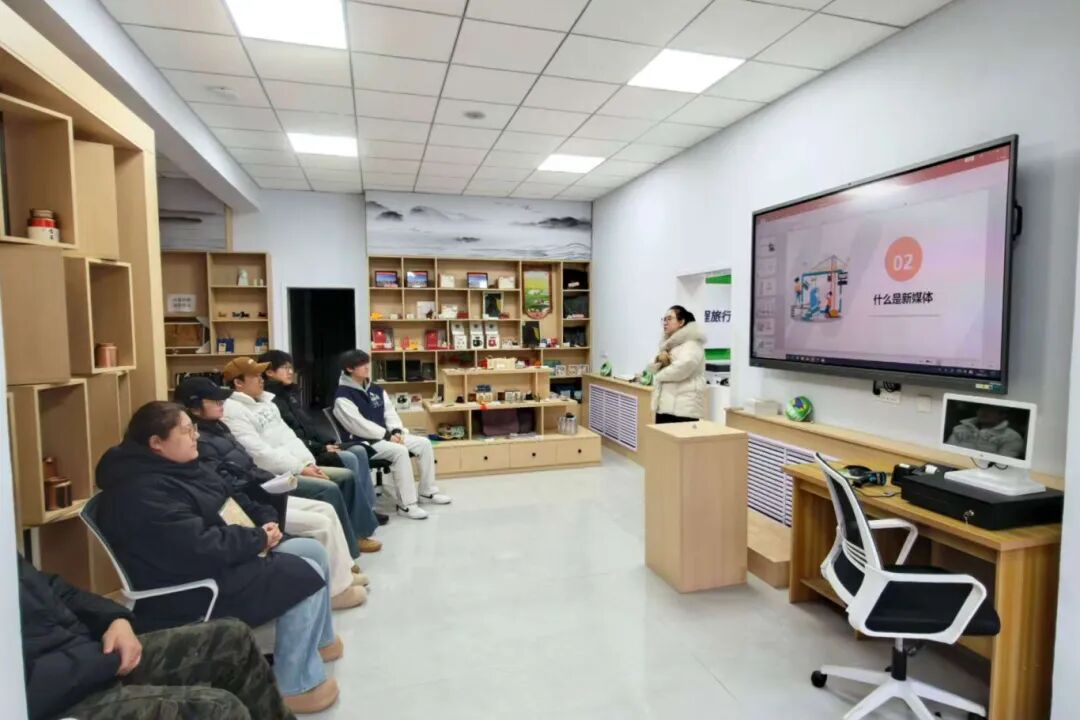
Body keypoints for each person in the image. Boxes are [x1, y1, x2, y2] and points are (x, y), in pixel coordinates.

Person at [93, 401, 343, 713]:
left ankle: (318, 642)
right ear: (156, 443)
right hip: (190, 582)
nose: (196, 436)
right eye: (186, 431)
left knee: (312, 551)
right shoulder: (141, 490)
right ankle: (295, 683)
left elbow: (232, 498)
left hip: (226, 553)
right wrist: (256, 539)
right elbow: (196, 546)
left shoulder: (182, 466)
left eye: (194, 429)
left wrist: (266, 522)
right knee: (301, 573)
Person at [19, 556, 296, 720]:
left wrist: (115, 620)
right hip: (57, 700)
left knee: (232, 638)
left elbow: (57, 589)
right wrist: (100, 662)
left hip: (89, 660)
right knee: (216, 709)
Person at [178, 375, 368, 605]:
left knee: (325, 509)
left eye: (222, 400)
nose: (221, 404)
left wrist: (275, 479)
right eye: (215, 401)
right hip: (251, 503)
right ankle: (336, 592)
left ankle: (343, 573)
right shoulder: (202, 442)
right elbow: (231, 484)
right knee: (321, 521)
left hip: (261, 491)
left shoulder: (220, 427)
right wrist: (270, 486)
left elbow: (247, 465)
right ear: (194, 408)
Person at [221, 357, 372, 567]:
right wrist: (300, 468)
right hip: (275, 476)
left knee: (346, 476)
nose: (261, 379)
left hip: (294, 465)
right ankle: (346, 557)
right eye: (255, 376)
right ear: (238, 383)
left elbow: (289, 436)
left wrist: (307, 464)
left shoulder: (267, 402)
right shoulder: (233, 411)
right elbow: (260, 453)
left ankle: (356, 535)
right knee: (329, 488)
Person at [258, 349, 386, 535]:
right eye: (285, 368)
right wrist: (321, 447)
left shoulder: (290, 394)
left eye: (291, 367)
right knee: (352, 456)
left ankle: (367, 508)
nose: (291, 372)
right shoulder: (272, 402)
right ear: (269, 372)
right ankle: (359, 513)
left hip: (312, 448)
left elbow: (308, 427)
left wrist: (328, 442)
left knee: (360, 449)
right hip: (304, 455)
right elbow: (289, 438)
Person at [333, 349, 451, 520]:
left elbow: (390, 413)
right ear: (349, 369)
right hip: (363, 443)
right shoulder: (343, 396)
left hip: (386, 437)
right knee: (400, 451)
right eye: (361, 364)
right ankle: (407, 505)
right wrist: (388, 436)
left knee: (424, 443)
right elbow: (359, 426)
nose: (367, 367)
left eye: (367, 363)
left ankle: (427, 492)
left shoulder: (376, 389)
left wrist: (396, 431)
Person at [647, 305, 707, 424]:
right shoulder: (668, 345)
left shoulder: (692, 343)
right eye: (664, 319)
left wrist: (659, 375)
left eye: (669, 319)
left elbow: (682, 368)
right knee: (662, 436)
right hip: (666, 405)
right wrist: (658, 358)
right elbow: (650, 367)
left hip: (684, 408)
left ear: (681, 322)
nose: (665, 322)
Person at [946, 405, 1026, 458]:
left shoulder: (1012, 437)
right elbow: (947, 453)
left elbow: (1003, 465)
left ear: (1002, 415)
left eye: (990, 409)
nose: (984, 412)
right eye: (981, 408)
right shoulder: (961, 428)